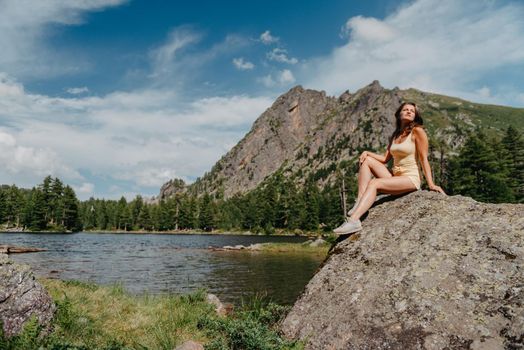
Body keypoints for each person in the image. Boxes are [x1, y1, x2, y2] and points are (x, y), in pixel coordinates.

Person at [334, 102, 446, 235]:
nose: (409, 112)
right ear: (399, 114)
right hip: (395, 178)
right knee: (367, 161)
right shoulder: (395, 135)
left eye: (412, 111)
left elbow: (423, 159)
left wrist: (431, 184)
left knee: (375, 182)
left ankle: (354, 221)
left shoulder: (417, 131)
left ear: (415, 116)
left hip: (410, 179)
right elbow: (384, 159)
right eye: (406, 109)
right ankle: (360, 201)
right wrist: (367, 152)